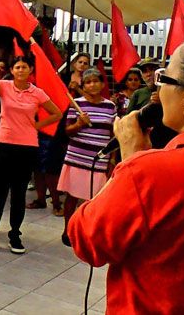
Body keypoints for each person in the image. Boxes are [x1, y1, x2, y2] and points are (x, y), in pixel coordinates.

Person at [68, 33, 184, 313]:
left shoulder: (151, 172)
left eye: (164, 78)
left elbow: (86, 240)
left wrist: (131, 160)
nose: (157, 90)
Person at [0, 43, 62, 255]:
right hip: (5, 144)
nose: (21, 70)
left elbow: (57, 113)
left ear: (31, 70)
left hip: (27, 147)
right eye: (17, 67)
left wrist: (37, 126)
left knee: (19, 193)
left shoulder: (37, 93)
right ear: (12, 71)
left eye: (25, 67)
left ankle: (15, 234)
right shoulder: (3, 87)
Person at [56, 68, 116, 246]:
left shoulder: (110, 106)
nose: (92, 85)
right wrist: (78, 124)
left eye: (96, 81)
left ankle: (86, 232)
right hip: (76, 157)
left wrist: (112, 160)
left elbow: (113, 136)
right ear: (83, 85)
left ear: (102, 84)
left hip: (98, 160)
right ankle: (67, 231)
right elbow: (67, 131)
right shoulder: (77, 104)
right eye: (88, 82)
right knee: (71, 197)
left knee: (94, 200)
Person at [127, 57, 177, 148]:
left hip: (167, 145)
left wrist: (163, 102)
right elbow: (129, 120)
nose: (149, 74)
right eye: (145, 71)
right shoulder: (138, 94)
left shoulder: (170, 91)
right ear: (141, 75)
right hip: (142, 145)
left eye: (152, 69)